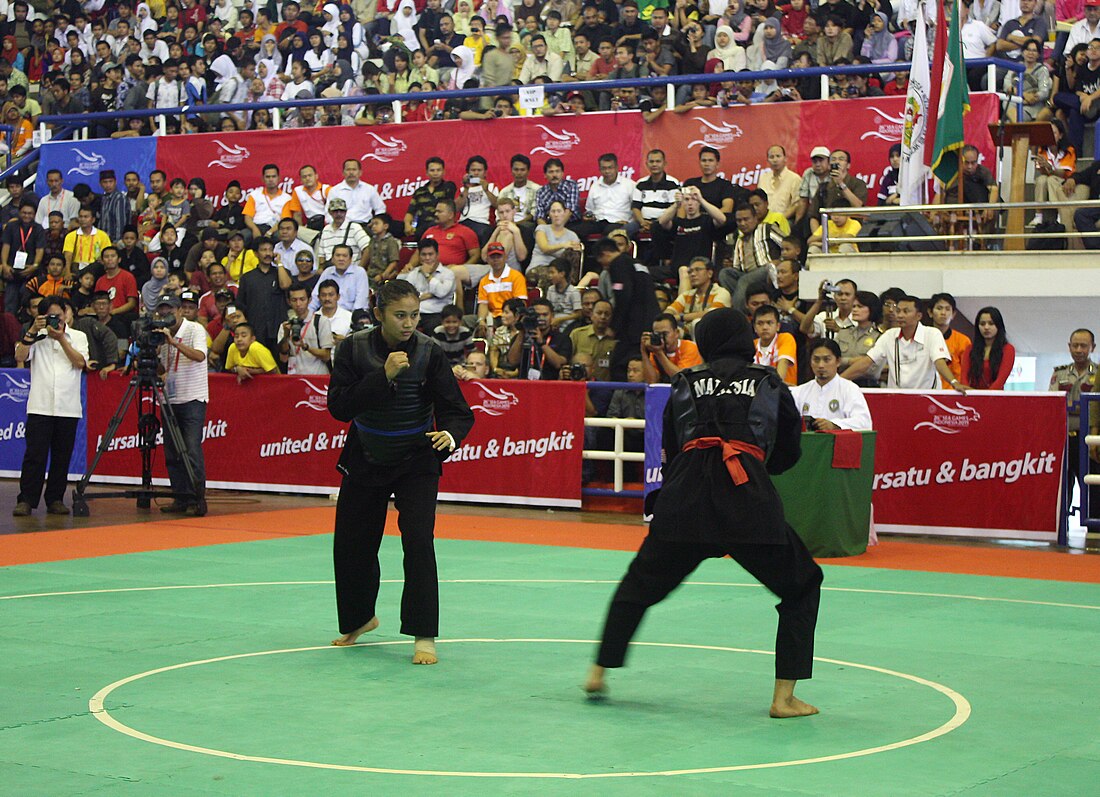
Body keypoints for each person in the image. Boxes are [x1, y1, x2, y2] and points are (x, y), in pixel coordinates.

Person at [585, 308, 824, 719]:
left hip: (685, 499)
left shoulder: (683, 381)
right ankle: (783, 698)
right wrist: (759, 466)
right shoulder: (769, 381)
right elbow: (788, 449)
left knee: (638, 585)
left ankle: (598, 670)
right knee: (803, 584)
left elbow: (674, 447)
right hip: (745, 497)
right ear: (744, 338)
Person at [327, 279, 475, 666]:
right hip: (366, 453)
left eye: (414, 315)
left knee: (419, 544)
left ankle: (423, 634)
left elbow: (458, 411)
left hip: (416, 458)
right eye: (400, 315)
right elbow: (339, 407)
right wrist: (383, 376)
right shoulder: (352, 349)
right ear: (379, 315)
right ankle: (360, 618)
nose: (409, 323)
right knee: (351, 543)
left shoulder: (431, 352)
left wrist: (451, 435)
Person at [12, 296, 88, 516]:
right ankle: (26, 499)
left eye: (59, 314)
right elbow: (19, 355)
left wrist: (62, 338)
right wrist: (33, 332)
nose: (56, 319)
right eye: (50, 316)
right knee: (35, 455)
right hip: (40, 406)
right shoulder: (35, 337)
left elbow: (80, 362)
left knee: (62, 456)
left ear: (66, 314)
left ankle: (55, 499)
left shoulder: (78, 337)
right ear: (41, 317)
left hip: (68, 406)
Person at [154, 294, 209, 515]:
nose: (165, 315)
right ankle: (180, 497)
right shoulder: (162, 336)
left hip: (193, 397)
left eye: (169, 310)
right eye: (162, 311)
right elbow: (163, 369)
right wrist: (153, 354)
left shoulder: (194, 329)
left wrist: (173, 342)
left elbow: (199, 356)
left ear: (179, 311)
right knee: (172, 452)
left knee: (191, 450)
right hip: (170, 398)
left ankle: (196, 499)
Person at [842, 296, 966, 392]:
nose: (900, 315)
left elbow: (939, 362)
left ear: (918, 316)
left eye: (906, 311)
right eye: (898, 311)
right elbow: (867, 362)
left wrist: (954, 382)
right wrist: (838, 381)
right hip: (897, 398)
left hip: (928, 398)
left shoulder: (932, 334)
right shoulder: (889, 335)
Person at [1050, 329, 1096, 494]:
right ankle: (1063, 521)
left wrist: (1072, 406)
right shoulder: (1059, 373)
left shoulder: (1098, 374)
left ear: (1093, 347)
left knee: (1092, 489)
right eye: (1075, 345)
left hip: (1090, 440)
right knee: (1062, 490)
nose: (1078, 350)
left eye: (1083, 346)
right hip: (1064, 438)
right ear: (1069, 347)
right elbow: (1053, 403)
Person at [791, 339, 873, 430]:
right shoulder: (800, 391)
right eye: (816, 360)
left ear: (838, 361)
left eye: (827, 360)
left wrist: (834, 425)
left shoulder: (849, 389)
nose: (821, 365)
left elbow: (864, 422)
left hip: (839, 443)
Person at [960, 306, 1015, 389]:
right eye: (982, 324)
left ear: (998, 326)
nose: (986, 327)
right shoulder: (970, 349)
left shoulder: (1008, 349)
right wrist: (970, 394)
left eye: (991, 323)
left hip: (995, 398)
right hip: (970, 397)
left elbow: (1000, 381)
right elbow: (964, 378)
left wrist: (984, 396)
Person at [753, 304, 798, 386]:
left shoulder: (785, 338)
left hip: (782, 392)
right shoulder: (752, 345)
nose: (765, 327)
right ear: (755, 328)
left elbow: (783, 362)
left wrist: (775, 385)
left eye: (769, 323)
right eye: (760, 323)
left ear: (778, 326)